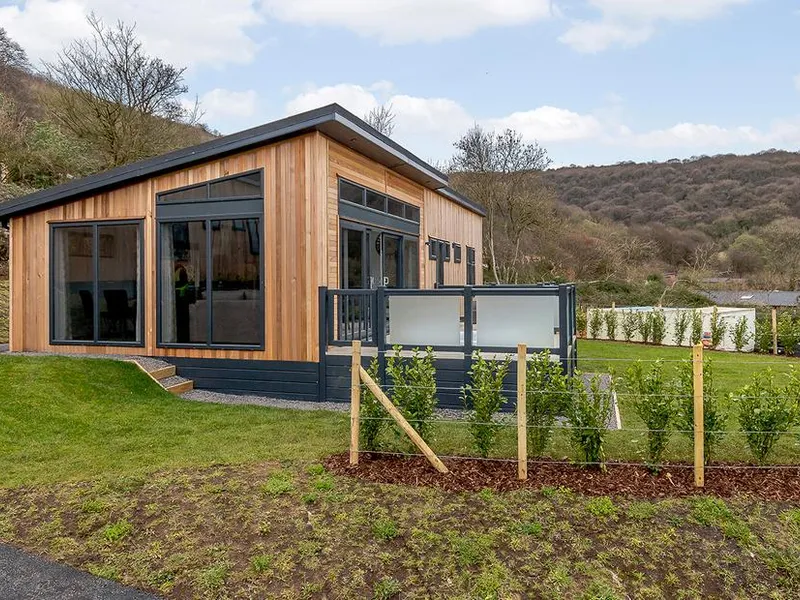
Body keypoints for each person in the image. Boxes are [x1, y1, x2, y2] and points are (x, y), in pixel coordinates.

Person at [174, 261, 191, 343]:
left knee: (180, 323)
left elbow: (178, 283)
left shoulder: (179, 270)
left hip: (180, 301)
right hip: (183, 301)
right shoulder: (181, 270)